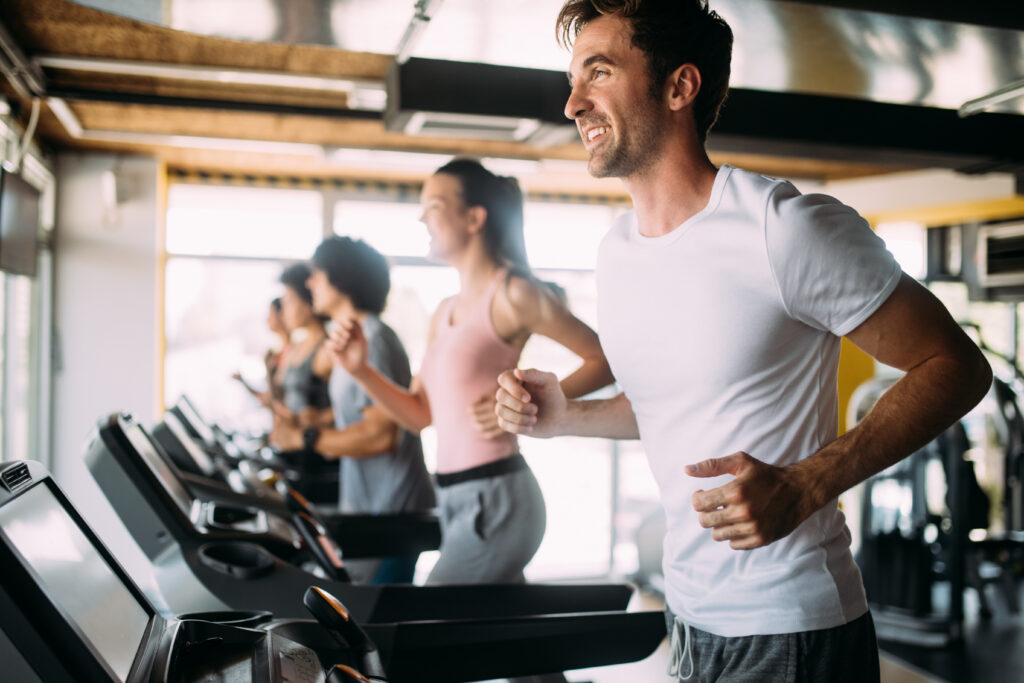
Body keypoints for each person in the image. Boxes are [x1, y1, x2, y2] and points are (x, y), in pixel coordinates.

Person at [493, 2, 992, 681]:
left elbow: (956, 366)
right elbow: (671, 407)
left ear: (679, 87)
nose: (573, 102)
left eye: (600, 73)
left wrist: (810, 482)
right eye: (575, 78)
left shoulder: (783, 227)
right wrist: (567, 417)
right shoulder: (616, 253)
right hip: (691, 618)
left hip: (792, 625)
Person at [329, 158, 615, 585]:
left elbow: (604, 360)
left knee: (433, 616)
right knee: (488, 634)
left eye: (435, 206)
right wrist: (361, 370)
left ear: (474, 218)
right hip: (454, 497)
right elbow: (419, 416)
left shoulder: (513, 294)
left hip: (497, 497)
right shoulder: (443, 312)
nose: (422, 217)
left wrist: (532, 403)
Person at [271, 236, 435, 584]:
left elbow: (380, 436)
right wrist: (320, 418)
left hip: (391, 510)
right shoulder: (351, 337)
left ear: (342, 280)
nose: (310, 282)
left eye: (317, 274)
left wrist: (304, 437)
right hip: (370, 502)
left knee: (381, 620)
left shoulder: (372, 339)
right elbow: (367, 409)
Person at [275, 263, 333, 429]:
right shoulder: (296, 346)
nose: (284, 311)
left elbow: (350, 408)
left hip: (316, 446)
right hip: (293, 445)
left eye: (290, 302)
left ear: (308, 304)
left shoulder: (327, 349)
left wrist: (322, 417)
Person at [233, 297, 290, 407]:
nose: (267, 319)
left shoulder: (292, 353)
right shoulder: (275, 354)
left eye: (271, 314)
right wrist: (243, 381)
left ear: (282, 315)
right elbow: (267, 399)